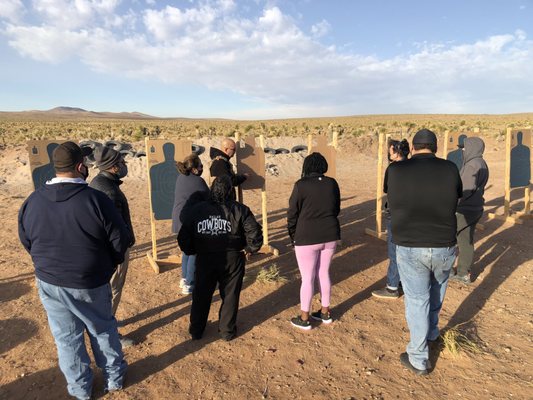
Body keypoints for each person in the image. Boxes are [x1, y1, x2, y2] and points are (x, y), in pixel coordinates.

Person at [18, 142, 130, 399]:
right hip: (89, 281)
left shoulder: (32, 200)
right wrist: (106, 266)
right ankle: (113, 378)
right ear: (81, 167)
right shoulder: (96, 200)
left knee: (66, 338)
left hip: (48, 281)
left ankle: (80, 390)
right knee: (101, 329)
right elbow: (119, 241)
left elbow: (26, 239)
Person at [385, 129, 462, 375]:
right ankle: (431, 334)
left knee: (418, 300)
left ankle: (418, 358)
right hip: (444, 244)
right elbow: (456, 196)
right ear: (435, 147)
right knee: (437, 291)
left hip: (409, 244)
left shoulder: (396, 170)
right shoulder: (450, 169)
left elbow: (391, 195)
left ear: (414, 147)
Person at [178, 175, 263, 341]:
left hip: (206, 257)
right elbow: (255, 233)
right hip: (232, 257)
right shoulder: (240, 209)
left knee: (201, 294)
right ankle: (227, 331)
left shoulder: (198, 209)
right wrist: (250, 249)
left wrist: (192, 250)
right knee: (230, 295)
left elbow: (184, 237)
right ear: (231, 191)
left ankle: (196, 330)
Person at [287, 152, 341, 330]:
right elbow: (336, 208)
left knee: (307, 278)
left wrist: (293, 235)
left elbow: (292, 213)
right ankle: (325, 313)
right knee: (324, 273)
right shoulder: (332, 183)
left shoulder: (301, 185)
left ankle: (304, 317)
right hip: (330, 234)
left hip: (306, 237)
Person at [89, 146, 136, 347]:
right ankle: (108, 332)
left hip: (102, 250)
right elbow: (115, 230)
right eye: (122, 163)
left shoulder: (97, 183)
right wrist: (120, 253)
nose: (125, 166)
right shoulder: (110, 191)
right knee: (113, 290)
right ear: (114, 167)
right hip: (113, 252)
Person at [372, 139, 410, 299]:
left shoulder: (393, 168)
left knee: (394, 252)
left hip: (396, 213)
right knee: (406, 250)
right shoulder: (413, 166)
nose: (389, 152)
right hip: (410, 214)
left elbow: (386, 188)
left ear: (396, 150)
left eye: (390, 149)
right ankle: (404, 283)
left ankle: (392, 287)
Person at [450, 137, 489, 284]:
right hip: (476, 207)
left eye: (465, 148)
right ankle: (463, 273)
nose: (463, 151)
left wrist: (452, 204)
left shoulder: (472, 165)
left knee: (451, 239)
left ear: (472, 148)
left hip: (464, 209)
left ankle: (448, 271)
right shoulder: (481, 163)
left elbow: (465, 190)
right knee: (466, 240)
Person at [171, 153, 209, 295]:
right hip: (190, 219)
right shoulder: (198, 181)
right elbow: (209, 197)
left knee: (186, 250)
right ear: (194, 169)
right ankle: (189, 281)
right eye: (200, 166)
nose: (201, 168)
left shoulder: (181, 177)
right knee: (194, 252)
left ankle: (184, 278)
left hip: (179, 217)